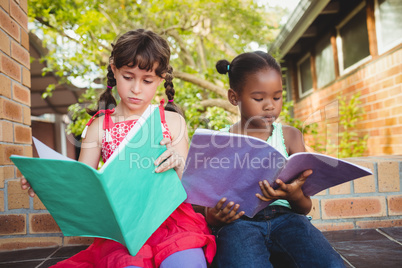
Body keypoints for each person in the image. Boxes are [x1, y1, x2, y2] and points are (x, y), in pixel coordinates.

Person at [21, 29, 216, 268]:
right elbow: (82, 185)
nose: (136, 88)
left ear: (161, 78)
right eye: (128, 77)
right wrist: (45, 182)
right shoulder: (100, 126)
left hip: (171, 222)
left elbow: (189, 187)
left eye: (147, 80)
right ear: (114, 70)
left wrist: (178, 163)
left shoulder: (172, 121)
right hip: (124, 228)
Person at [201, 51, 345, 268]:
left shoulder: (290, 136)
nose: (270, 105)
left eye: (277, 97)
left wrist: (294, 194)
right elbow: (199, 199)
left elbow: (305, 208)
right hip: (238, 223)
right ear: (234, 97)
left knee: (330, 263)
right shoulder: (218, 141)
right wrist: (212, 217)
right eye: (259, 98)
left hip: (287, 219)